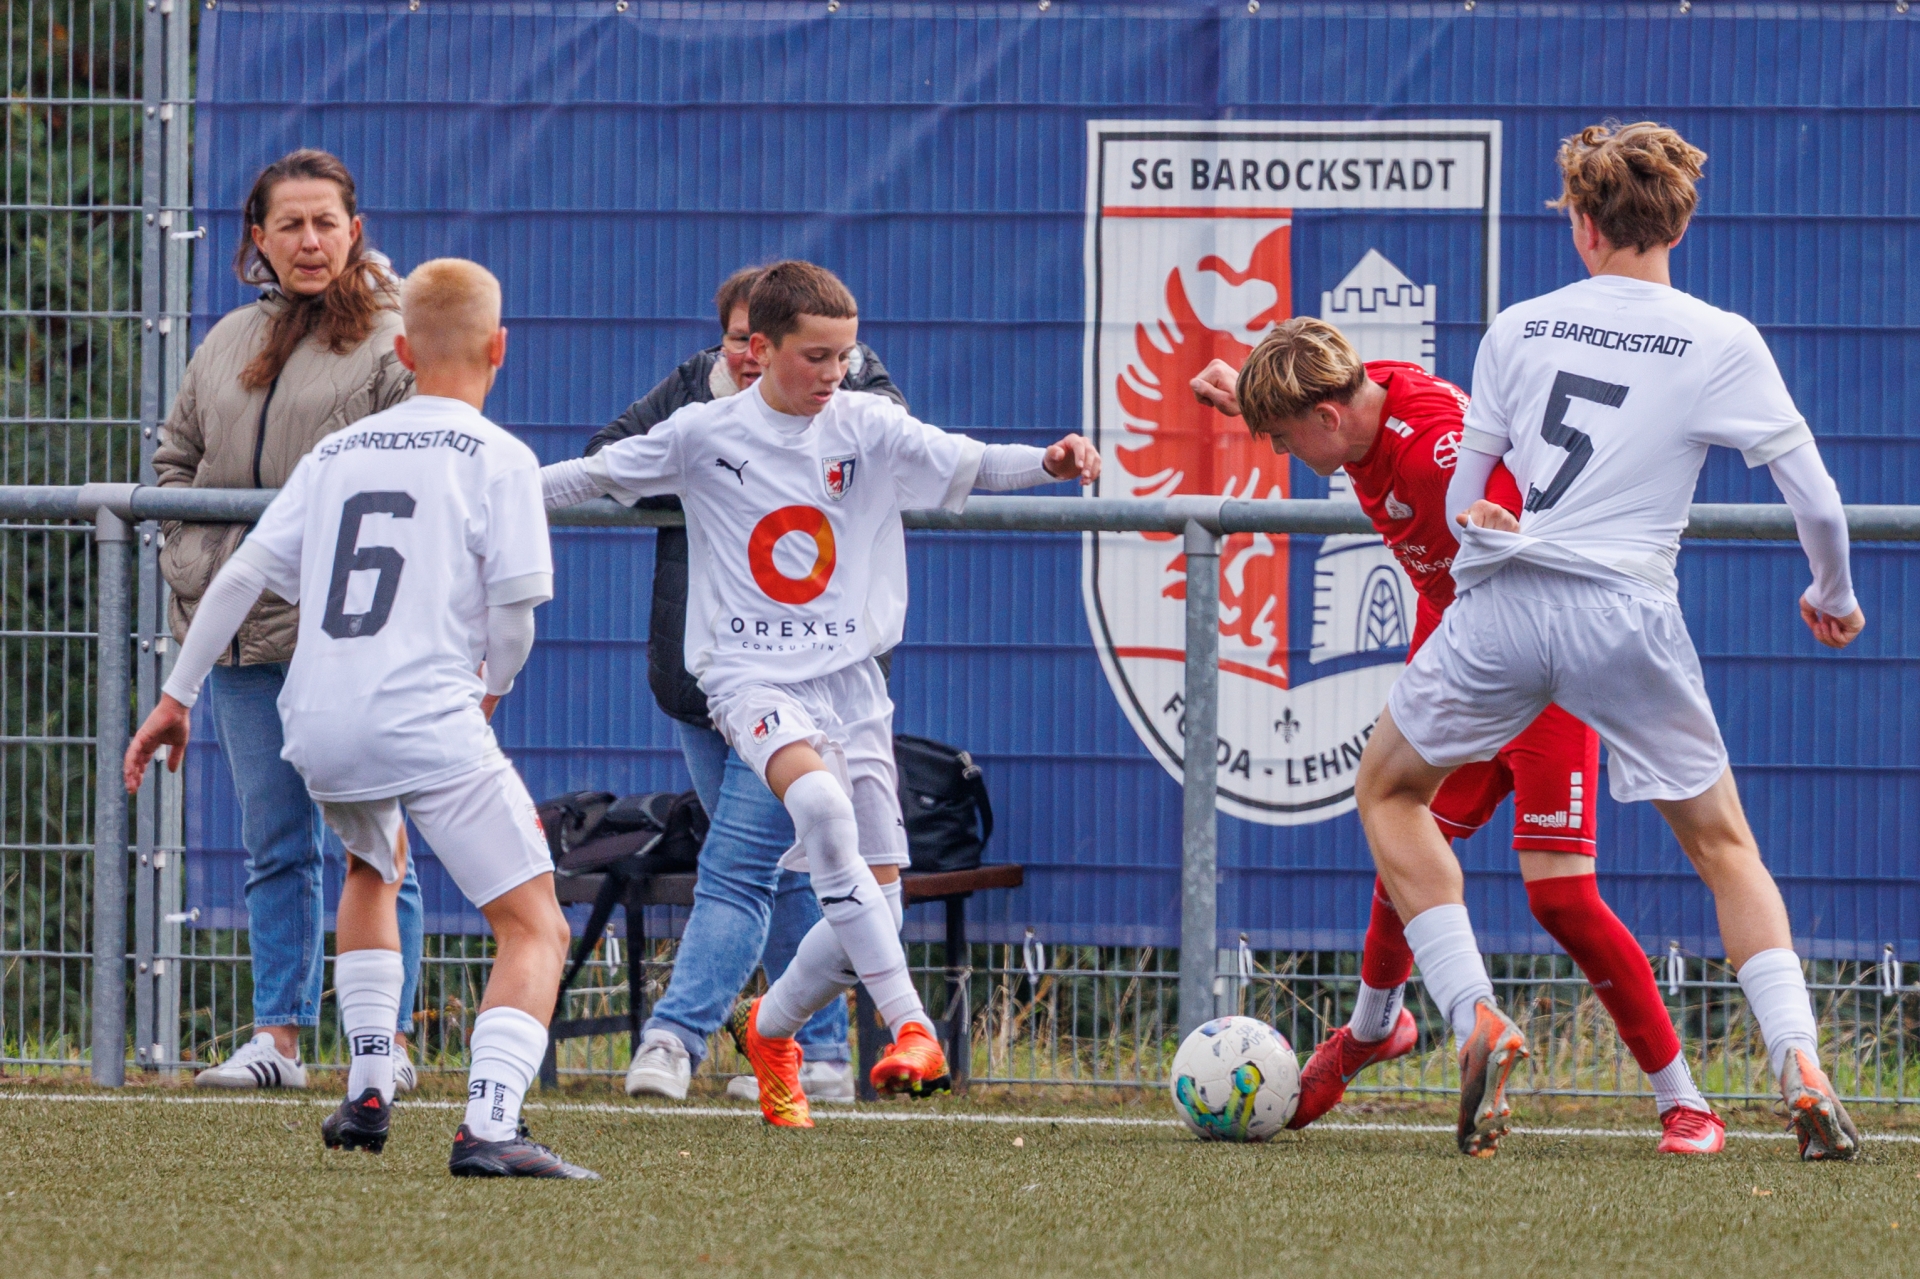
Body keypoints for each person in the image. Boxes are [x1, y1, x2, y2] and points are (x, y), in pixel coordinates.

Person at [1351, 121, 1863, 1159]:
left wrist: (1486, 525)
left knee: (1389, 792)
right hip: (1626, 612)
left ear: (1583, 225)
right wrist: (1833, 592)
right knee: (1725, 849)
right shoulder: (1721, 337)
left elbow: (1463, 502)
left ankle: (1475, 1012)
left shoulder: (1520, 326)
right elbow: (1816, 499)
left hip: (1506, 603)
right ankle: (1798, 1062)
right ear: (1679, 223)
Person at [541, 260, 1100, 1126]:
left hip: (852, 684)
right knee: (818, 813)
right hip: (747, 677)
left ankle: (771, 1029)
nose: (836, 372)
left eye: (845, 355)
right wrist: (475, 495)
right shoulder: (701, 431)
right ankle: (910, 1026)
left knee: (877, 903)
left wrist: (1050, 461)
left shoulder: (867, 423)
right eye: (817, 356)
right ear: (758, 350)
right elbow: (586, 476)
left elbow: (973, 460)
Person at [1191, 318, 1722, 1154]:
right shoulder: (1361, 396)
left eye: (1285, 439)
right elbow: (1314, 385)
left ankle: (1686, 1103)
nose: (1286, 454)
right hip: (1461, 651)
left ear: (1326, 417)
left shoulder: (1433, 449)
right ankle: (1377, 1028)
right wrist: (1251, 395)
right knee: (1403, 836)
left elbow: (1512, 497)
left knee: (1561, 897)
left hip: (1537, 660)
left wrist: (1503, 516)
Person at [126, 259, 596, 1179]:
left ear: (404, 351)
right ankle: (490, 1125)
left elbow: (241, 575)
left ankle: (369, 1089)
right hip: (425, 715)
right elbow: (515, 619)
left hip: (318, 717)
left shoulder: (337, 454)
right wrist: (491, 690)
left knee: (374, 862)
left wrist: (177, 696)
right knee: (534, 924)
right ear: (501, 348)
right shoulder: (499, 456)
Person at [584, 266, 906, 1102]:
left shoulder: (852, 388)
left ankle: (675, 1037)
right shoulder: (695, 400)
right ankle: (817, 1049)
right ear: (737, 338)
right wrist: (700, 473)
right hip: (705, 683)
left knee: (737, 865)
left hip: (803, 682)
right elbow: (604, 459)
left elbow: (899, 443)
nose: (747, 359)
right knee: (792, 863)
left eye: (828, 354)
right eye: (734, 342)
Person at [154, 148, 425, 1091]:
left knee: (374, 844)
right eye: (290, 225)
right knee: (275, 845)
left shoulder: (397, 337)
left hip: (347, 641)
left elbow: (418, 478)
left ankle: (386, 1043)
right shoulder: (228, 339)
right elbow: (174, 460)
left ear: (356, 231)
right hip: (236, 638)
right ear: (257, 239)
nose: (310, 241)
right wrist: (195, 559)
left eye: (326, 223)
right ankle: (278, 1039)